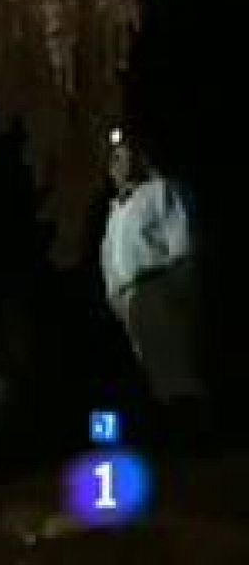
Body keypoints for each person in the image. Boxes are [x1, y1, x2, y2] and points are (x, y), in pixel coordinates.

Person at [100, 129, 207, 443]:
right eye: (115, 159)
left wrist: (179, 290)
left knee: (176, 369)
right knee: (151, 374)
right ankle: (167, 437)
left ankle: (194, 433)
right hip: (129, 299)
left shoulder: (161, 191)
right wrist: (117, 299)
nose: (120, 163)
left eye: (125, 155)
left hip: (159, 287)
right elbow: (110, 260)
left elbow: (182, 242)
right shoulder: (115, 212)